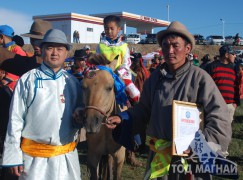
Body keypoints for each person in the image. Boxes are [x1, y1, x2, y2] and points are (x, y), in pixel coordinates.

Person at [106, 21, 232, 179]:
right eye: (165, 45)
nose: (169, 50)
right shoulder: (155, 79)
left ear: (187, 49)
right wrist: (123, 118)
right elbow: (143, 109)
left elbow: (220, 118)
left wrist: (199, 146)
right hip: (159, 159)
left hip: (191, 162)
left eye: (175, 45)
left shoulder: (200, 79)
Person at [2, 29, 82, 180]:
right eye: (50, 48)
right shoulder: (27, 80)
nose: (54, 53)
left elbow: (80, 110)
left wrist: (79, 114)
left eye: (59, 49)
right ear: (42, 50)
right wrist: (13, 156)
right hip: (34, 161)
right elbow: (15, 119)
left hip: (66, 158)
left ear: (66, 53)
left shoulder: (72, 82)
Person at [96, 15, 141, 166]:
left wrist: (118, 74)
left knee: (134, 93)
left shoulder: (124, 46)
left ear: (119, 29)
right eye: (106, 28)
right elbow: (97, 61)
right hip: (104, 75)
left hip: (120, 76)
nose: (109, 31)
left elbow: (126, 64)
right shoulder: (100, 45)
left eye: (112, 28)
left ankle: (136, 124)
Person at [205, 45, 239, 122]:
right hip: (215, 105)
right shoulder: (212, 66)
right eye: (233, 54)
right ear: (226, 55)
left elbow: (236, 85)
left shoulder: (234, 68)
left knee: (227, 130)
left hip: (230, 105)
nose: (235, 56)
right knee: (214, 128)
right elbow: (206, 85)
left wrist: (235, 103)